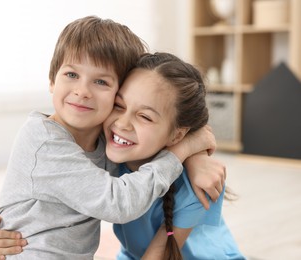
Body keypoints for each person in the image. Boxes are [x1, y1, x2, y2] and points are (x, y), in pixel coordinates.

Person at [0, 16, 225, 260]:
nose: (82, 91)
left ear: (119, 91)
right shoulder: (44, 140)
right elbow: (118, 203)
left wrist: (196, 156)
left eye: (101, 82)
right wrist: (183, 150)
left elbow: (171, 118)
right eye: (72, 75)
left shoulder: (107, 141)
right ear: (52, 80)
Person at [105, 52, 245, 260]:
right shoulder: (109, 152)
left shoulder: (196, 184)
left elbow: (158, 255)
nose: (122, 123)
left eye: (144, 116)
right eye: (119, 105)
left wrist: (193, 151)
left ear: (177, 134)